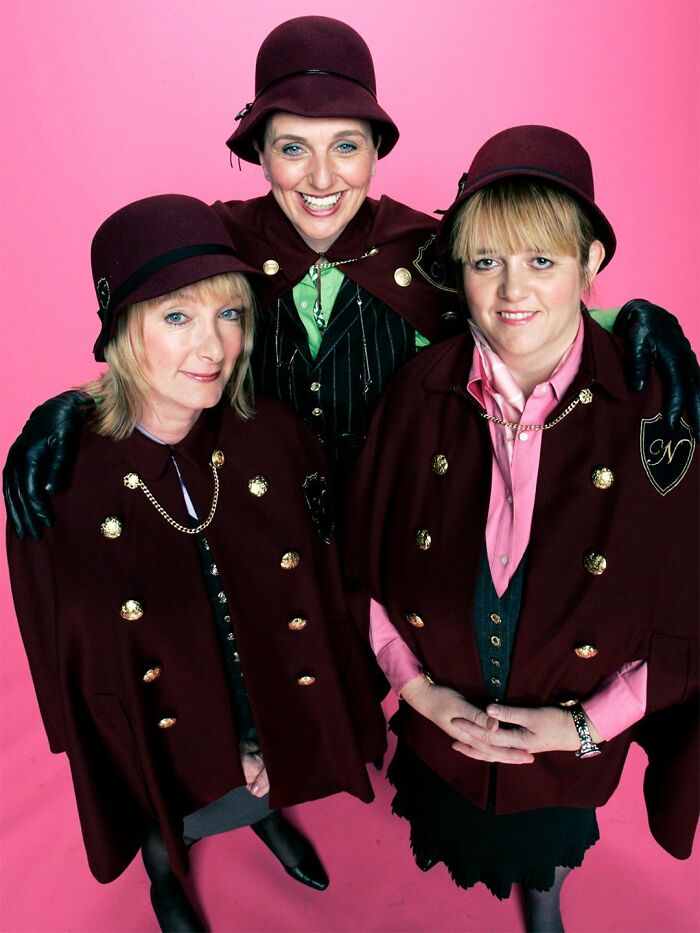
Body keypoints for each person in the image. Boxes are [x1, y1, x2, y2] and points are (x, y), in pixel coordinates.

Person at [3, 16, 699, 539]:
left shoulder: (428, 248)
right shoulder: (214, 242)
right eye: (292, 150)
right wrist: (80, 407)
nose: (322, 178)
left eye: (345, 146)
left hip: (406, 541)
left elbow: (521, 313)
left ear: (376, 149)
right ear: (259, 153)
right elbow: (162, 348)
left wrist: (631, 318)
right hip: (246, 536)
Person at [344, 126, 698, 932]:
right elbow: (357, 571)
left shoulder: (659, 412)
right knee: (450, 824)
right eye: (485, 262)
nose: (512, 290)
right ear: (459, 273)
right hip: (443, 739)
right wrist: (418, 691)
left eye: (542, 260)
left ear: (591, 264)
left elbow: (689, 617)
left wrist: (581, 727)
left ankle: (544, 898)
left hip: (568, 757)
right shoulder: (414, 393)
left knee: (550, 848)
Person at [6, 194, 387, 932]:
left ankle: (266, 814)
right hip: (155, 701)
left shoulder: (275, 435)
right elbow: (49, 628)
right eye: (177, 317)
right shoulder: (55, 474)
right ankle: (165, 875)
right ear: (121, 331)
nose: (213, 347)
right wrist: (74, 732)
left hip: (259, 670)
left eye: (230, 314)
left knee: (262, 760)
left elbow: (321, 580)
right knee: (163, 798)